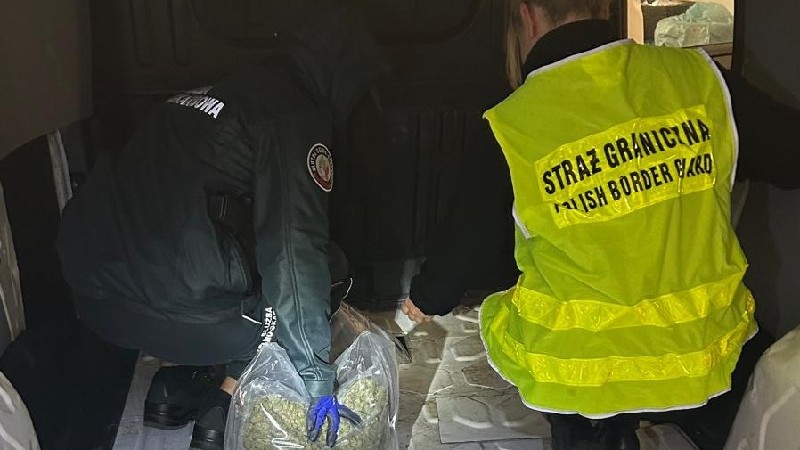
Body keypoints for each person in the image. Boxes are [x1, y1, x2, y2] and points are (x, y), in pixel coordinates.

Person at [403, 0, 800, 449]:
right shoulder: (701, 80)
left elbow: (467, 244)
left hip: (582, 371)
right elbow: (791, 154)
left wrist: (427, 297)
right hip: (702, 355)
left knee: (529, 331)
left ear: (527, 14)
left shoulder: (513, 123)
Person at [56, 3, 386, 449]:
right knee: (329, 269)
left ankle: (171, 389)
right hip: (189, 322)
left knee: (198, 258)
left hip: (97, 309)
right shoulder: (291, 115)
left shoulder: (197, 99)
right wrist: (315, 377)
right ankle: (224, 405)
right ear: (343, 71)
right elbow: (295, 254)